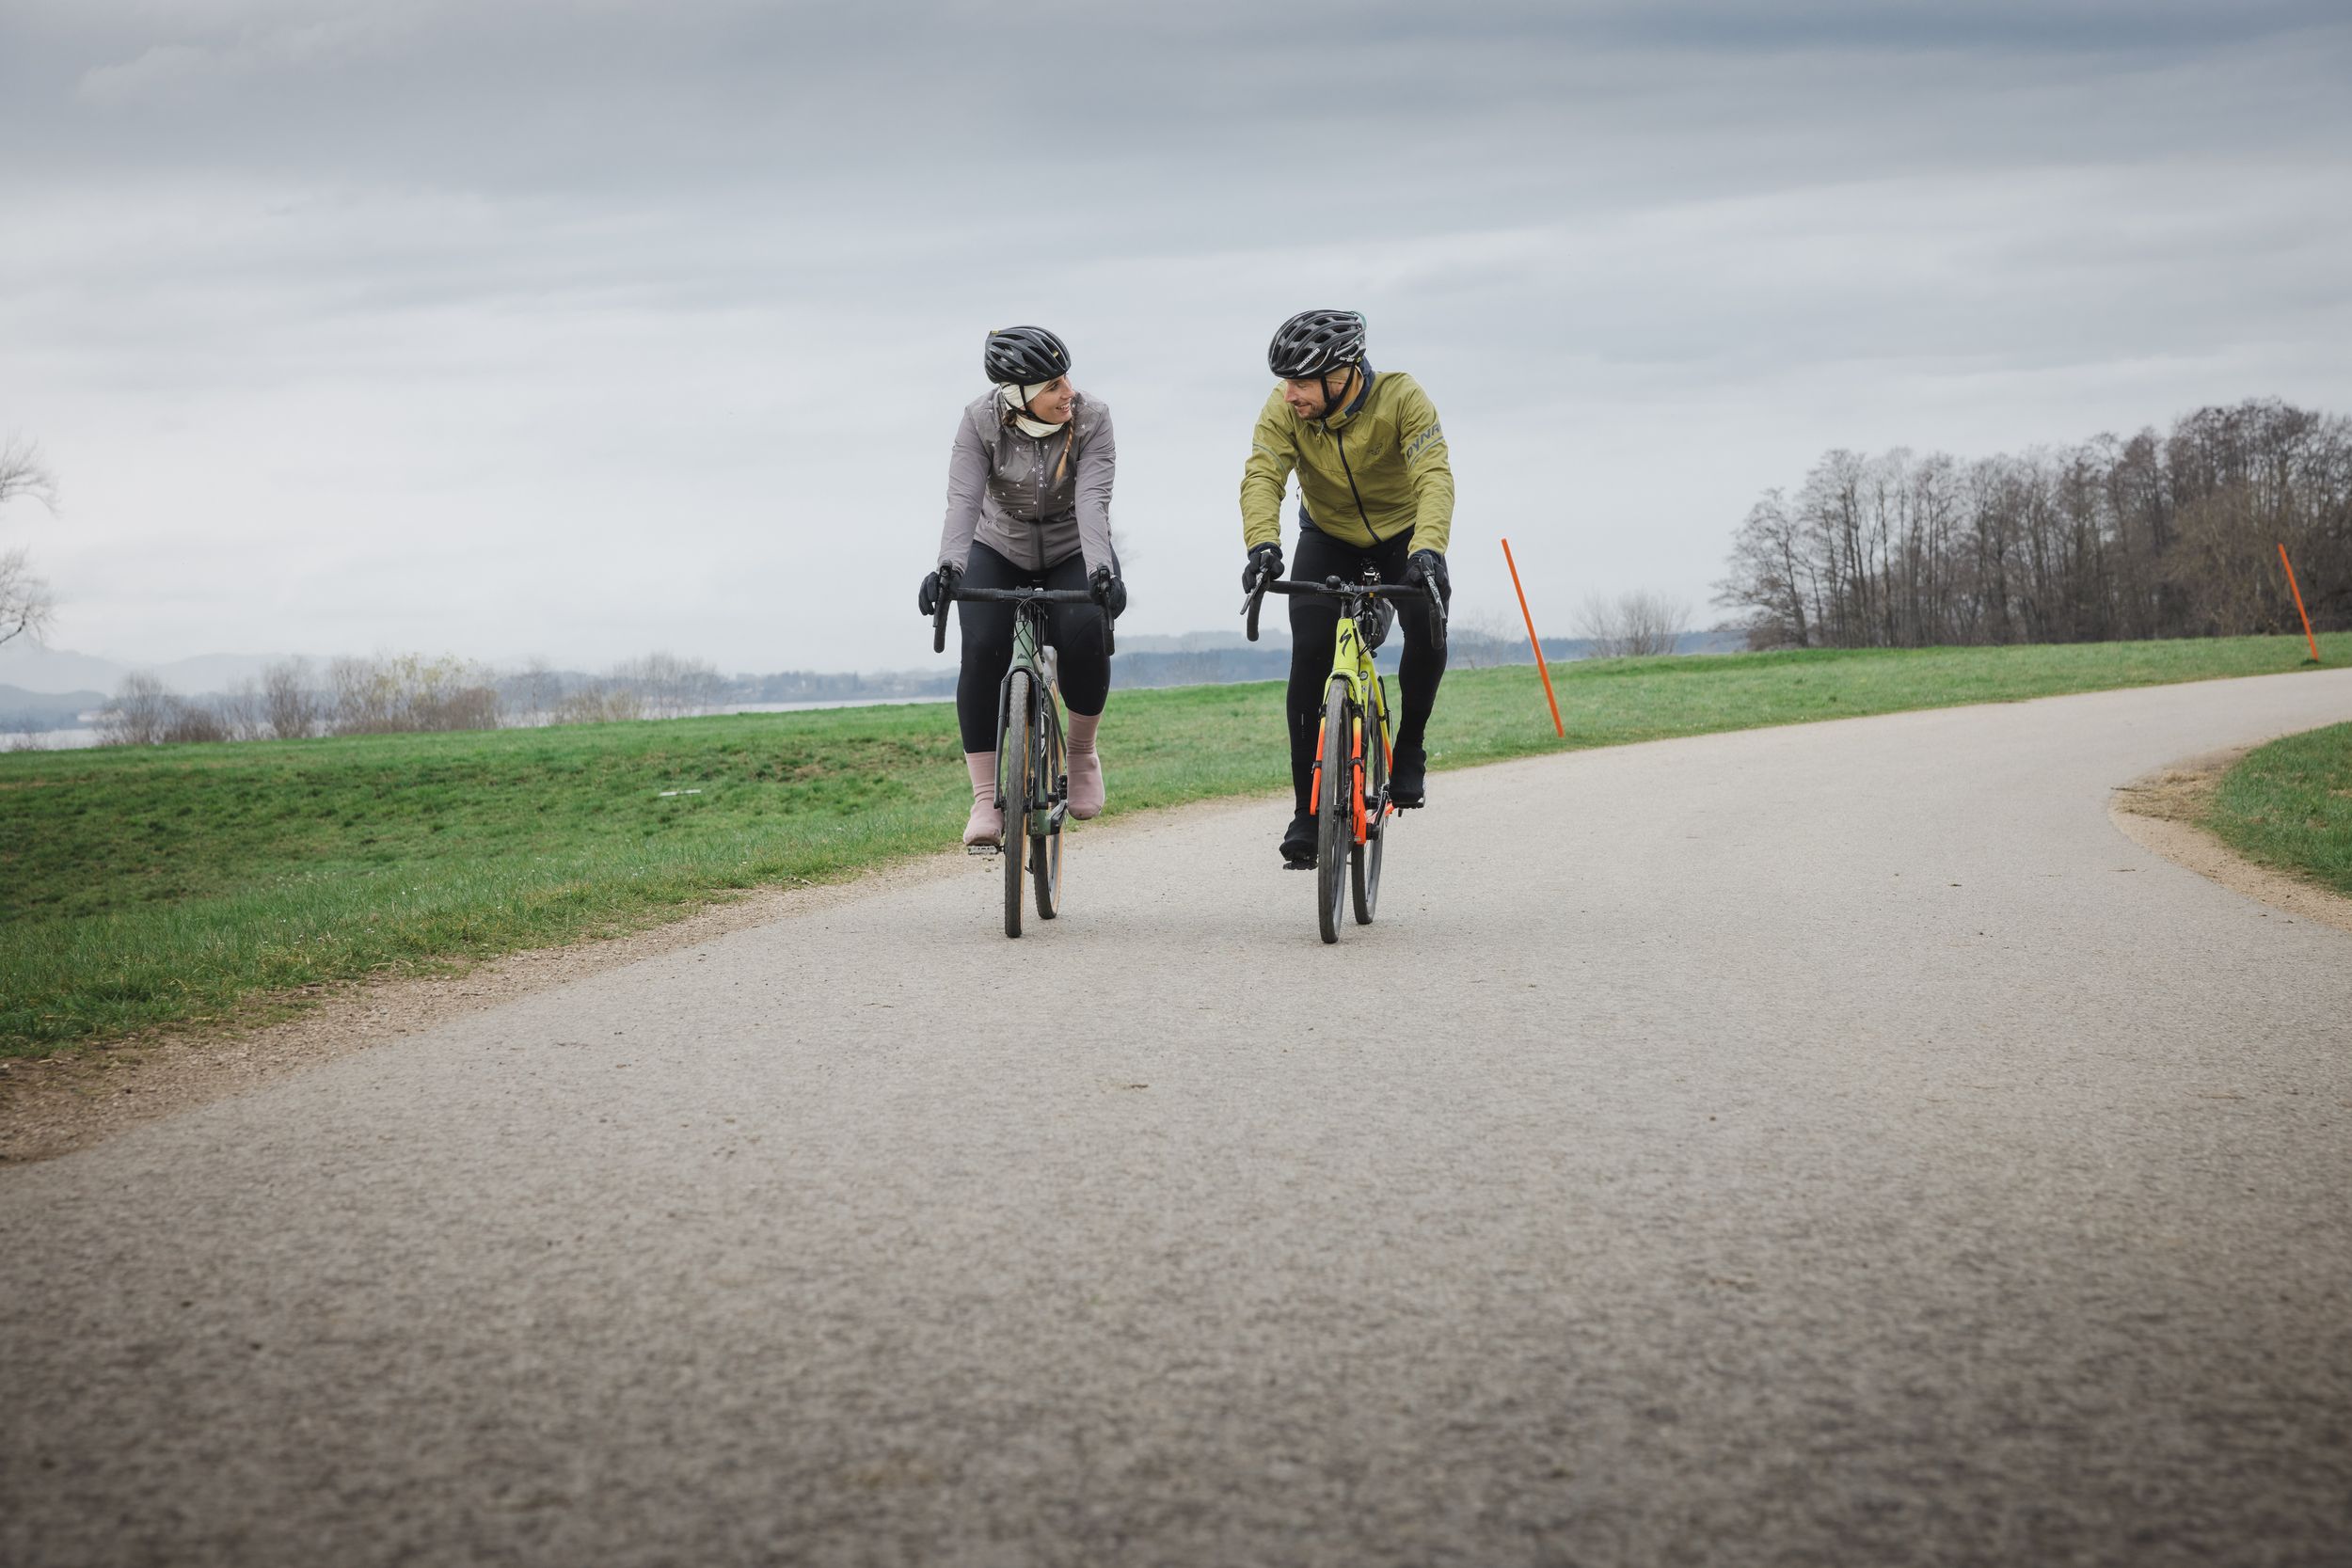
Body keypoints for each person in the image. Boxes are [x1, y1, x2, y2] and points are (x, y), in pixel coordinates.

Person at [1239, 309, 1454, 866]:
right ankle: (1306, 813)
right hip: (1328, 535)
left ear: (1344, 375)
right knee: (1310, 650)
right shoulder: (1284, 409)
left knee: (1428, 627)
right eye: (1285, 381)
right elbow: (1264, 473)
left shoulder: (1401, 398)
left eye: (1302, 382)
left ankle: (1409, 749)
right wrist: (1262, 543)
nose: (1290, 394)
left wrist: (1428, 550)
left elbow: (1433, 474)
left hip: (1403, 534)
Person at [920, 325, 1124, 847]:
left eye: (1066, 379)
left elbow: (1092, 503)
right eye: (1054, 385)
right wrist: (948, 569)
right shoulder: (979, 421)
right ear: (1017, 395)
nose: (1068, 392)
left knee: (1083, 633)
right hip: (998, 546)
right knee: (983, 646)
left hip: (1072, 547)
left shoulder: (1093, 419)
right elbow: (963, 502)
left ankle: (1080, 755)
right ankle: (985, 797)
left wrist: (1101, 571)